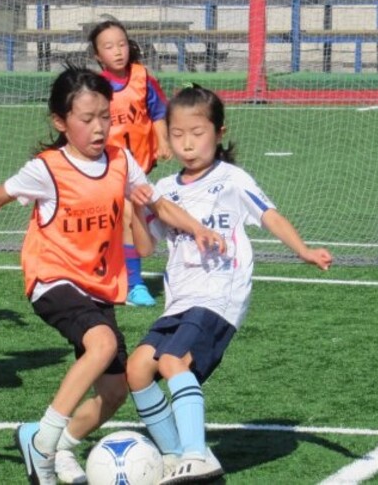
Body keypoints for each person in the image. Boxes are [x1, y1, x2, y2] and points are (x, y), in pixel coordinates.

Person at [0, 66, 224, 485]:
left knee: (115, 391)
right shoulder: (48, 168)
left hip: (97, 288)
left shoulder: (121, 161)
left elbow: (157, 204)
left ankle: (50, 440)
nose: (99, 127)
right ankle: (45, 447)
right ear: (60, 122)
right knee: (103, 342)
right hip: (51, 279)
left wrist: (196, 227)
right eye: (86, 119)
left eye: (105, 116)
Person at [126, 83, 333, 484]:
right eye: (178, 134)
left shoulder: (232, 179)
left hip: (220, 294)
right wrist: (137, 208)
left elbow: (269, 215)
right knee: (137, 370)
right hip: (180, 299)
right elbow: (146, 246)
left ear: (219, 133)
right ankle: (175, 457)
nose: (187, 144)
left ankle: (195, 455)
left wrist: (303, 250)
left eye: (197, 133)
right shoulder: (165, 191)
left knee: (172, 363)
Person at [89, 17, 171, 308]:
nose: (118, 51)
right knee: (118, 219)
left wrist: (162, 141)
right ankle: (129, 282)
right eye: (109, 47)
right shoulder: (95, 86)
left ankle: (131, 282)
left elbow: (158, 111)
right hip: (107, 166)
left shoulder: (142, 77)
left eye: (122, 44)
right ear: (98, 56)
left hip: (139, 166)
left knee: (130, 218)